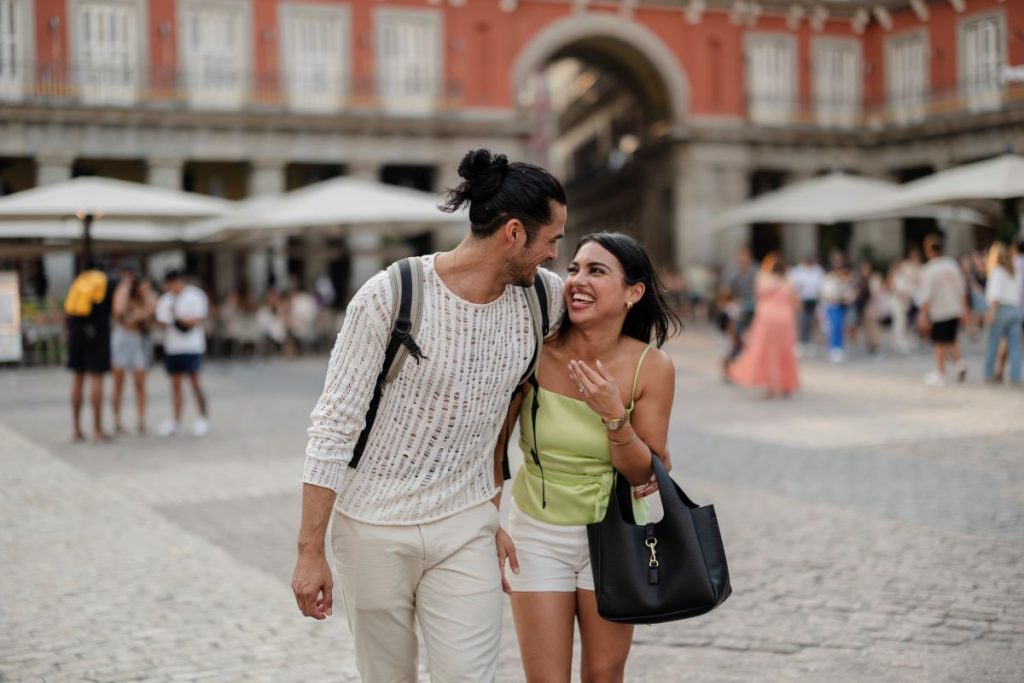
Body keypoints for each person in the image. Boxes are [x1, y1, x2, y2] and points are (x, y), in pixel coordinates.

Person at [292, 149, 567, 682]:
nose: (555, 255)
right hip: (372, 528)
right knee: (389, 676)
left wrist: (492, 503)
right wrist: (310, 551)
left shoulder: (543, 299)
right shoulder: (390, 296)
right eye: (552, 240)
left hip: (466, 526)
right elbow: (333, 427)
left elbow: (597, 328)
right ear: (514, 233)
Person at [498, 232, 679, 682]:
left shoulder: (651, 367)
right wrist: (490, 519)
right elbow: (493, 444)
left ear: (633, 293)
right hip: (536, 534)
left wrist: (615, 417)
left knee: (603, 675)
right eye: (575, 268)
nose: (577, 279)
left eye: (596, 271)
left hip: (615, 534)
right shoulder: (535, 351)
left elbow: (645, 473)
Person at [729, 253, 799, 397]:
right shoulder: (788, 282)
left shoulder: (763, 280)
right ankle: (786, 385)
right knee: (785, 352)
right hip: (785, 320)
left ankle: (772, 386)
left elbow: (758, 297)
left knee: (769, 353)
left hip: (767, 320)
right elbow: (796, 303)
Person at [155, 270, 211, 436]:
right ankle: (175, 420)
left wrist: (176, 317)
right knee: (175, 385)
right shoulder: (166, 300)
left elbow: (194, 321)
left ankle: (203, 418)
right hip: (173, 347)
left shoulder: (195, 296)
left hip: (192, 347)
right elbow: (161, 322)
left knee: (195, 383)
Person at [65, 263, 114, 442]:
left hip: (77, 333)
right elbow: (117, 310)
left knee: (78, 379)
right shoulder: (106, 283)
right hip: (97, 334)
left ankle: (77, 429)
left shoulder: (80, 281)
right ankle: (97, 430)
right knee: (96, 378)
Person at [110, 271, 157, 434]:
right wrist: (126, 286)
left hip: (139, 340)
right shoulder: (124, 293)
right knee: (118, 383)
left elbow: (152, 314)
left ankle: (141, 421)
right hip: (123, 339)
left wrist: (144, 309)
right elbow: (120, 313)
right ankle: (117, 421)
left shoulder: (148, 297)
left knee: (140, 384)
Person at [918, 234, 967, 386]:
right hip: (954, 307)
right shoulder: (952, 264)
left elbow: (926, 296)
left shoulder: (928, 270)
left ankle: (940, 372)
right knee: (952, 339)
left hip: (939, 310)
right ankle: (959, 365)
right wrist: (965, 308)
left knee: (939, 342)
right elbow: (962, 288)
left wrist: (922, 314)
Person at [982, 242, 1022, 385]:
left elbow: (995, 296)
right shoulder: (1014, 271)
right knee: (1015, 346)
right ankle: (1016, 376)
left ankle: (988, 373)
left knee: (993, 343)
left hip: (1000, 309)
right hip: (1015, 309)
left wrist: (990, 313)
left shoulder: (997, 271)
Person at [788, 253, 824, 355]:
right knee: (801, 321)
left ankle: (809, 342)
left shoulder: (817, 270)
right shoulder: (797, 271)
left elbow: (820, 285)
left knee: (811, 322)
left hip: (814, 300)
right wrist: (796, 300)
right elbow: (793, 287)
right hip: (801, 300)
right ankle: (799, 342)